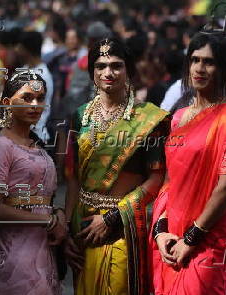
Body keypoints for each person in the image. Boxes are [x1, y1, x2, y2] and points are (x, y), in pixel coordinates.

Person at [150, 32, 226, 295]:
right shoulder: (179, 118)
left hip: (210, 237)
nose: (199, 68)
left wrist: (192, 238)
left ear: (223, 68)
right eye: (194, 60)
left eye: (208, 62)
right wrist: (161, 232)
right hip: (173, 232)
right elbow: (169, 181)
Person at [64, 38, 169, 295]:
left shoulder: (149, 119)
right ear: (91, 72)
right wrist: (67, 230)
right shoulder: (79, 116)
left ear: (129, 70)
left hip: (122, 226)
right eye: (100, 66)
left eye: (116, 66)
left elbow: (157, 178)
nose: (107, 73)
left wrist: (112, 218)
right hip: (85, 229)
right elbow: (73, 179)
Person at [0, 70, 66, 295]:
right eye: (27, 98)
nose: (35, 105)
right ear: (7, 103)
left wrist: (58, 213)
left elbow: (42, 196)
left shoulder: (36, 145)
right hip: (11, 249)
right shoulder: (1, 145)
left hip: (41, 246)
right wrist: (48, 220)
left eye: (40, 99)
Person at [15, 31, 54, 143]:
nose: (17, 50)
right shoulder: (25, 68)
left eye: (19, 47)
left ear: (26, 50)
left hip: (35, 137)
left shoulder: (42, 76)